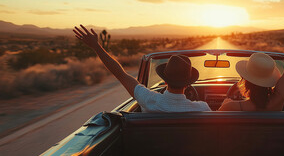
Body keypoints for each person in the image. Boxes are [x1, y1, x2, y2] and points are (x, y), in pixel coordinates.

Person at [73, 25, 211, 112]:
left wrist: (96, 47)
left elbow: (120, 74)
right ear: (188, 84)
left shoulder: (149, 100)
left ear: (165, 81)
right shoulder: (202, 108)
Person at [218, 0, 284, 111]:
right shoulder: (278, 99)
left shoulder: (231, 107)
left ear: (245, 81)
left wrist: (226, 102)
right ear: (269, 79)